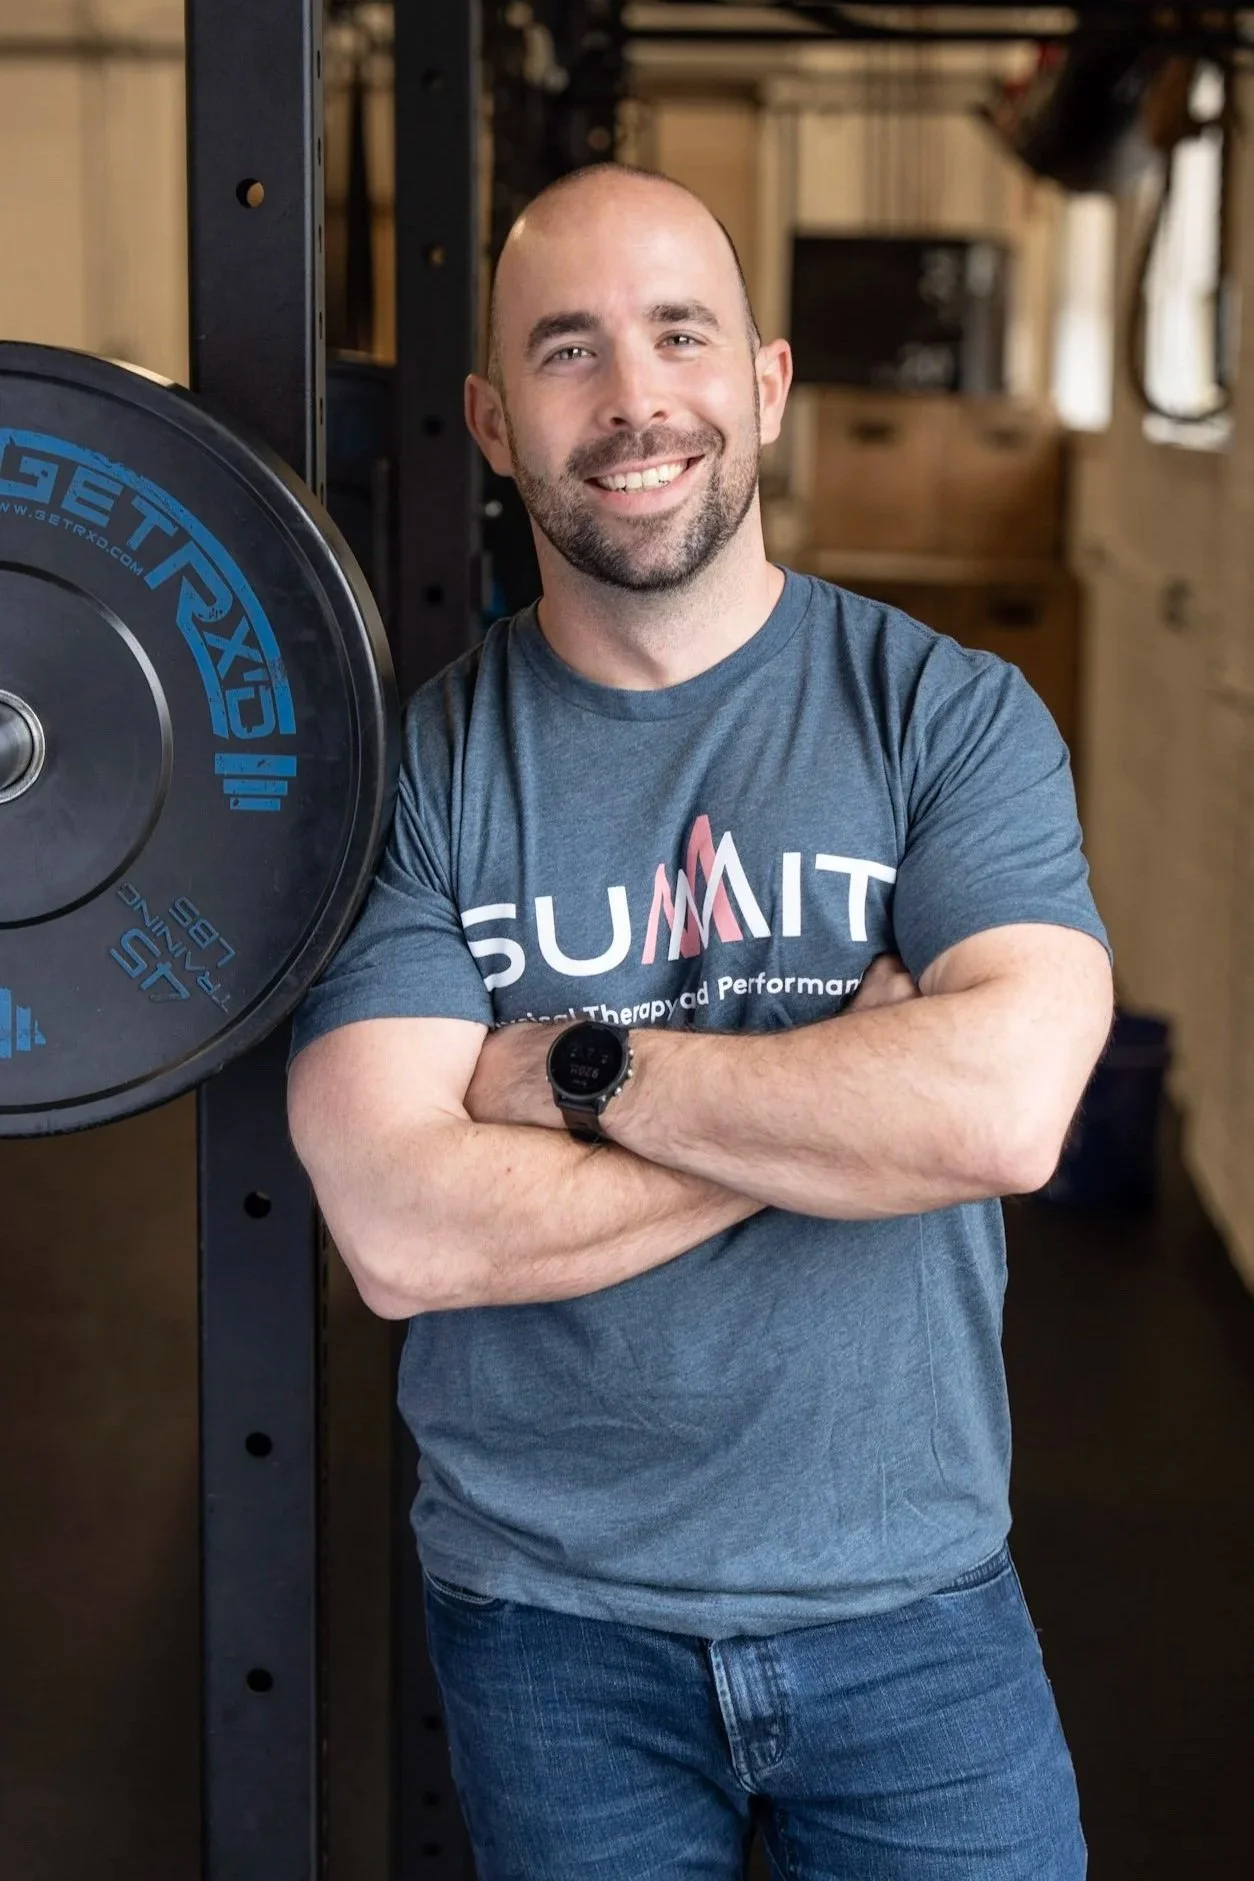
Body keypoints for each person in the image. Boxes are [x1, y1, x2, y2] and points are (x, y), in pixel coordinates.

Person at [287, 164, 1113, 1880]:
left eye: (680, 334)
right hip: (547, 1627)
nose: (634, 398)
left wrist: (576, 1072)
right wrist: (837, 1109)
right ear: (492, 423)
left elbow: (1004, 1116)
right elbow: (399, 1228)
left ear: (765, 384)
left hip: (911, 1603)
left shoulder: (947, 719)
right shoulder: (413, 776)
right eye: (567, 351)